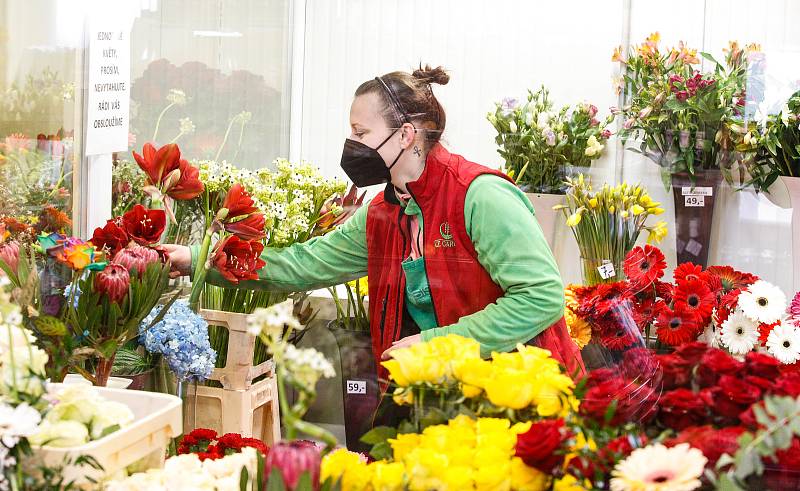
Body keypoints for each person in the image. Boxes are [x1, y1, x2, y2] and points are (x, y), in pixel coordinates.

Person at [164, 64, 584, 378]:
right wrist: (197, 258)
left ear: (405, 135)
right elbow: (301, 265)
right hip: (442, 398)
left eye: (361, 133)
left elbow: (542, 296)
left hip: (527, 394)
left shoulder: (480, 196)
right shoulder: (383, 214)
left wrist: (437, 346)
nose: (352, 145)